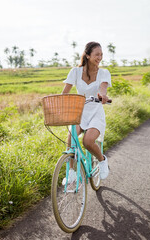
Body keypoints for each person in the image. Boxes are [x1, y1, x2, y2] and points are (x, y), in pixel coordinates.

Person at [62, 41, 112, 180]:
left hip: (95, 112)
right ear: (88, 55)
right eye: (97, 54)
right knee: (71, 141)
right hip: (79, 111)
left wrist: (102, 95)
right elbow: (65, 92)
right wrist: (61, 102)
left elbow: (103, 88)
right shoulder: (75, 72)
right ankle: (71, 172)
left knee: (88, 141)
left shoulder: (104, 73)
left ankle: (102, 160)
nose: (100, 57)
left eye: (101, 54)